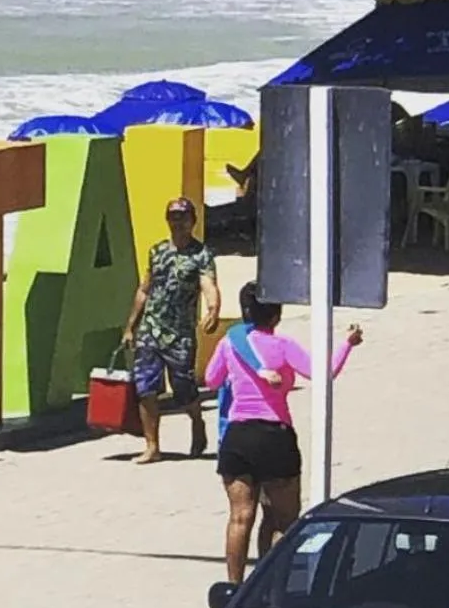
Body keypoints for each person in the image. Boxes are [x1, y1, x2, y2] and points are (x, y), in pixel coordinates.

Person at [204, 281, 363, 583]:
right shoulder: (282, 345)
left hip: (238, 436)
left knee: (240, 517)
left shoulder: (230, 344)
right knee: (283, 519)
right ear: (276, 315)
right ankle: (272, 584)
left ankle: (233, 588)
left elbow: (212, 380)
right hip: (275, 435)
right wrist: (348, 344)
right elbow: (324, 372)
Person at [121, 197, 221, 464]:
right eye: (174, 217)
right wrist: (131, 326)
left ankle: (196, 421)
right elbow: (144, 290)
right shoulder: (157, 252)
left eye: (183, 217)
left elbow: (208, 284)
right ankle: (152, 446)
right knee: (146, 387)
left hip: (180, 334)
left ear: (193, 221)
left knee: (183, 389)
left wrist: (213, 309)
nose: (178, 223)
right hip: (151, 330)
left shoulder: (201, 254)